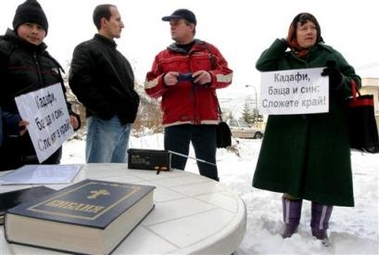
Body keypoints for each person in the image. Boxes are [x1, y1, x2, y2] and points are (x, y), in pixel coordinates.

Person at [252, 12, 361, 243]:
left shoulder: (330, 54)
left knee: (323, 178)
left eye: (313, 27)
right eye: (303, 28)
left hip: (326, 130)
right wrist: (282, 42)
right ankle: (290, 225)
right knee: (292, 175)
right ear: (294, 33)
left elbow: (355, 81)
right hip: (290, 130)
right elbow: (262, 65)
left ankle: (319, 228)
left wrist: (339, 79)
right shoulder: (283, 58)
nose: (309, 32)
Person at [144, 9, 233, 181]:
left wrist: (211, 76)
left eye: (176, 24)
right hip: (175, 123)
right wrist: (163, 80)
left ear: (191, 26)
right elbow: (149, 88)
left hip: (206, 122)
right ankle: (173, 207)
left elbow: (228, 75)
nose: (172, 28)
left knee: (209, 173)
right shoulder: (162, 57)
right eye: (170, 25)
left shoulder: (210, 51)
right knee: (172, 173)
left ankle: (211, 204)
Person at [0, 0, 80, 171]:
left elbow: (59, 99)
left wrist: (71, 115)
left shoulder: (49, 61)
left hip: (50, 155)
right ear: (17, 26)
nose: (35, 31)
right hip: (10, 154)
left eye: (40, 27)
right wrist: (10, 122)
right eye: (29, 25)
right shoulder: (3, 52)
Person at [69, 4, 139, 163]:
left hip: (124, 123)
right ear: (104, 21)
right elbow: (79, 81)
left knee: (117, 180)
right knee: (98, 178)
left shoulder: (122, 58)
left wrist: (131, 109)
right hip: (104, 122)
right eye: (118, 19)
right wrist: (106, 111)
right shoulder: (86, 49)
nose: (122, 24)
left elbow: (129, 89)